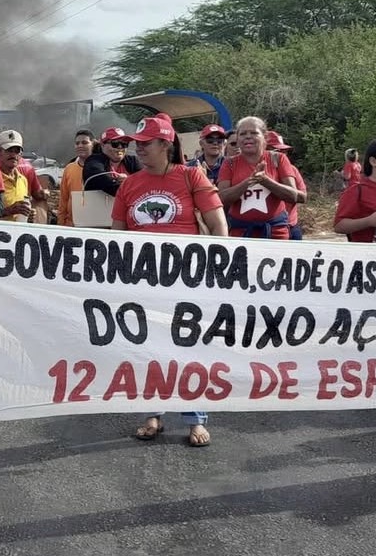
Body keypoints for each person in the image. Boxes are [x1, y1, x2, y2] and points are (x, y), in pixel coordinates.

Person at [111, 115, 226, 446]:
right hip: (143, 281)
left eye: (147, 143)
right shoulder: (129, 185)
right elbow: (118, 237)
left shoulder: (191, 176)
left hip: (186, 281)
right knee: (147, 348)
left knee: (189, 348)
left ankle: (195, 419)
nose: (139, 149)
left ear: (166, 144)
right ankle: (152, 413)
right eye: (138, 144)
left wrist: (215, 269)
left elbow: (219, 226)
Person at [216, 116, 303, 239]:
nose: (248, 136)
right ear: (238, 139)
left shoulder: (278, 159)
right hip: (240, 233)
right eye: (242, 134)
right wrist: (249, 181)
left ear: (264, 137)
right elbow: (221, 198)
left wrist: (266, 181)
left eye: (254, 133)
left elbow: (293, 196)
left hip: (276, 233)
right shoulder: (229, 164)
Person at [0, 130, 45, 222]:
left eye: (17, 151)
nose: (13, 155)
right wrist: (8, 211)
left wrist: (28, 216)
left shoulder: (23, 180)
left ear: (21, 154)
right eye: (9, 150)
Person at [83, 127, 141, 197]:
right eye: (115, 144)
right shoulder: (93, 161)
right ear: (103, 145)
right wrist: (128, 184)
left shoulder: (133, 161)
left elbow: (146, 179)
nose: (120, 147)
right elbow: (100, 180)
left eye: (124, 144)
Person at [56, 129, 95, 227]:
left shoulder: (102, 168)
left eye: (85, 142)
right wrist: (61, 224)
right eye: (77, 143)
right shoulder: (69, 168)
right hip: (71, 226)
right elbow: (63, 200)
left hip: (95, 226)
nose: (80, 146)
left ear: (93, 144)